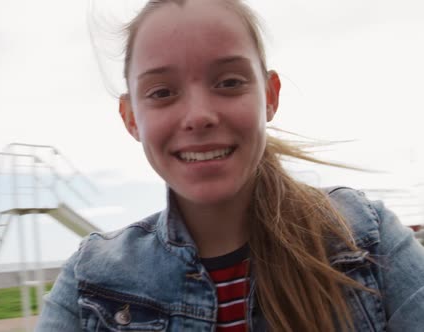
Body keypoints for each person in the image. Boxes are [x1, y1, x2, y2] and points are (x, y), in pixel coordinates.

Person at [36, 0, 424, 331]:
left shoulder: (368, 240)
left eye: (229, 82)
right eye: (162, 92)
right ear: (131, 118)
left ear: (270, 96)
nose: (199, 116)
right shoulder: (89, 283)